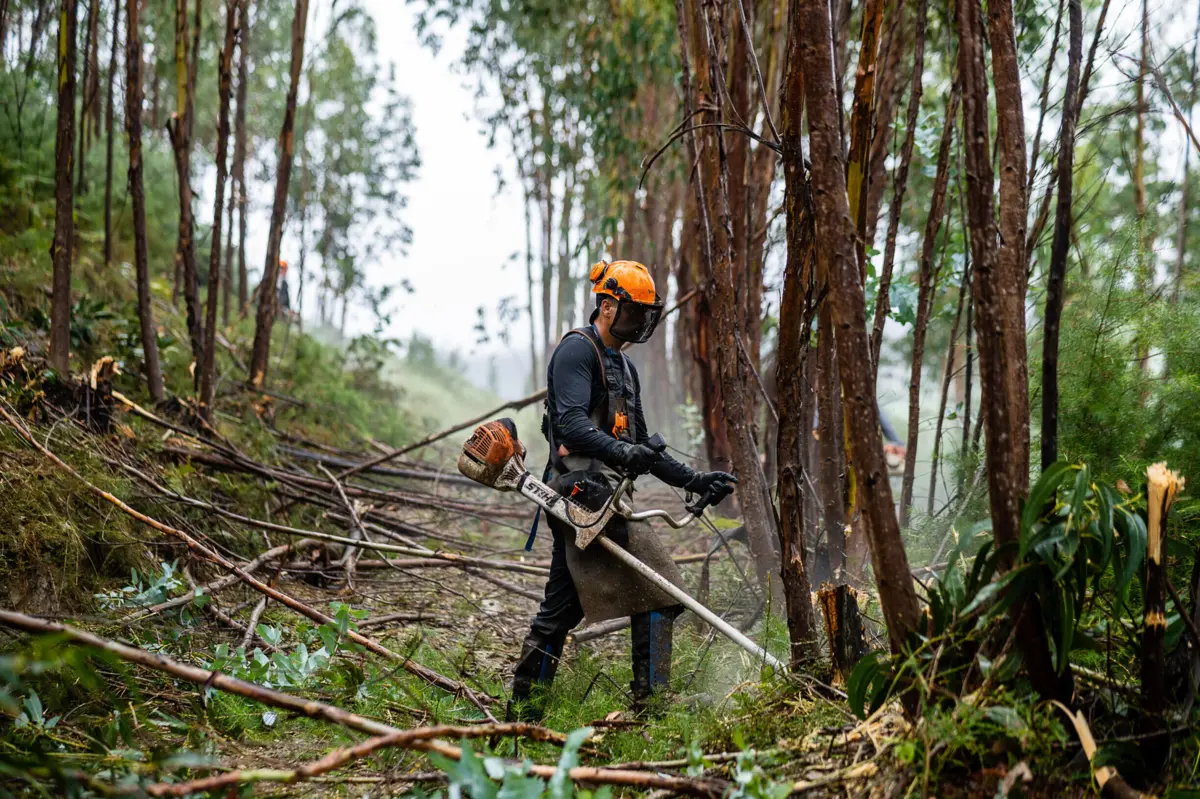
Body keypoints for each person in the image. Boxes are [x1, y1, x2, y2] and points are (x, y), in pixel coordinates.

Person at [508, 260, 736, 720]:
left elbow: (641, 447)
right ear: (608, 306)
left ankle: (525, 710)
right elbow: (571, 424)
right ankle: (650, 706)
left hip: (606, 496)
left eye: (648, 314)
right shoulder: (577, 351)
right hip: (576, 493)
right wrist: (621, 452)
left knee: (563, 603)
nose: (642, 322)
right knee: (660, 584)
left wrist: (694, 480)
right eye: (636, 312)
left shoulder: (625, 368)